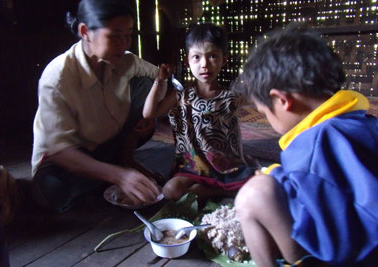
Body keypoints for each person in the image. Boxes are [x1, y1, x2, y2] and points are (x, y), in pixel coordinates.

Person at [233, 23, 378, 266]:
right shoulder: (363, 123)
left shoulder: (314, 145)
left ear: (282, 101)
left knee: (253, 194)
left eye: (263, 111)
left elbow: (332, 235)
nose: (267, 119)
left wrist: (274, 178)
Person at [31, 0, 166, 212]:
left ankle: (121, 162)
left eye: (128, 35)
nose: (124, 43)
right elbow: (59, 150)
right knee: (53, 190)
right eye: (114, 36)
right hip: (65, 159)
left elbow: (163, 78)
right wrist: (117, 175)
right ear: (85, 31)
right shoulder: (57, 77)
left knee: (147, 86)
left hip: (105, 143)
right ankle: (112, 171)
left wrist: (149, 117)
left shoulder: (126, 61)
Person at [143, 23, 256, 201]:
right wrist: (159, 80)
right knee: (170, 191)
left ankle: (219, 190)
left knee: (256, 184)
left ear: (223, 60)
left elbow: (260, 99)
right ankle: (212, 189)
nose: (204, 64)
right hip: (191, 165)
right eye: (196, 57)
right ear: (187, 61)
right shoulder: (181, 95)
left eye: (212, 56)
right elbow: (149, 113)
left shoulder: (230, 98)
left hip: (224, 165)